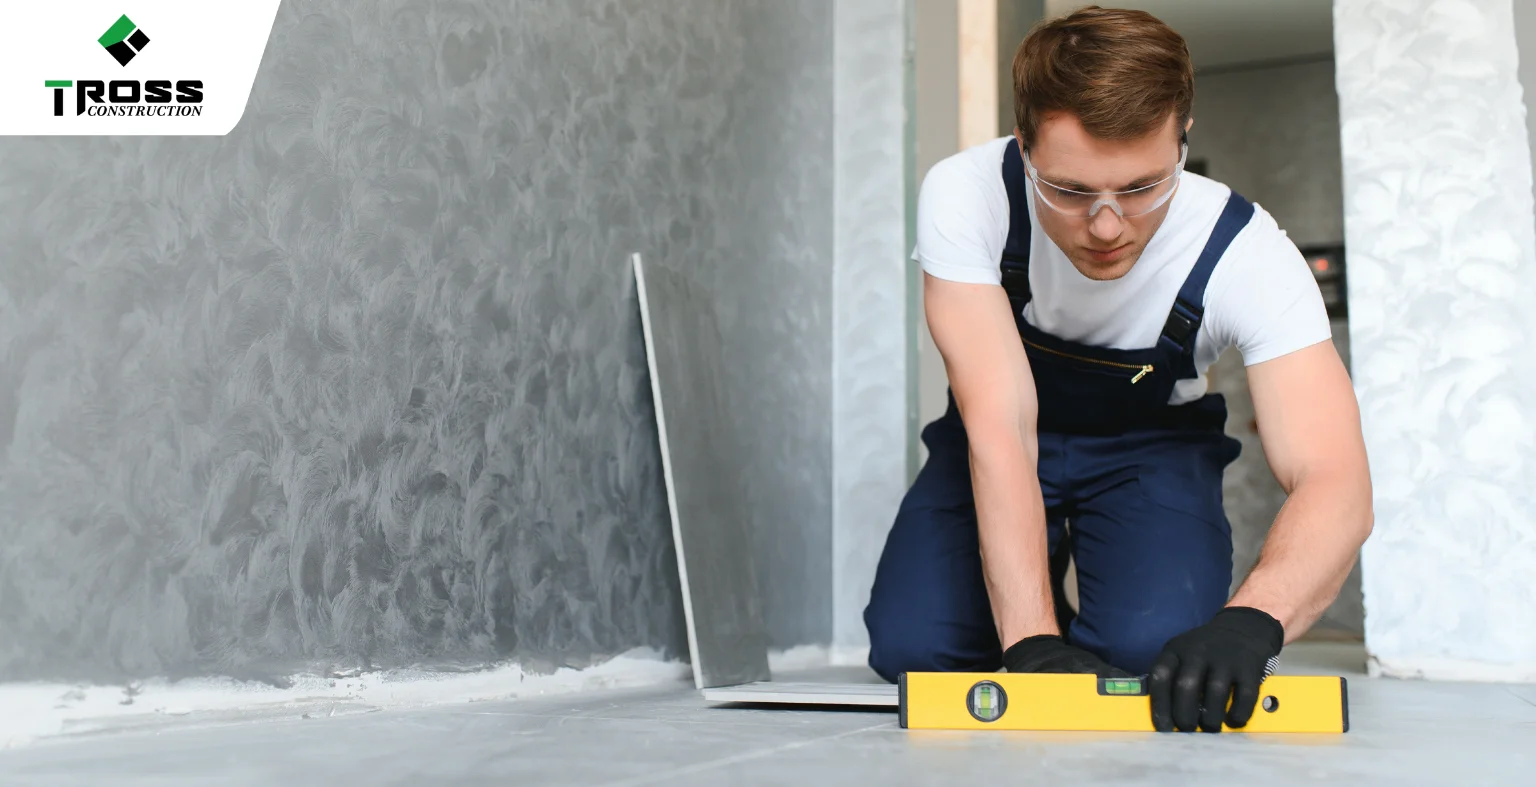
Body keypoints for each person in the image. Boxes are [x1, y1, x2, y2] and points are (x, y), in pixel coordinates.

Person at [862, 6, 1374, 733]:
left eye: (1141, 188)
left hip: (1151, 449)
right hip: (1001, 430)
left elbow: (1336, 478)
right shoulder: (967, 195)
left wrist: (1254, 621)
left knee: (1154, 653)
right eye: (1070, 191)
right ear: (1024, 145)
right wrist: (1033, 644)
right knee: (916, 646)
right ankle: (1052, 623)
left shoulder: (1246, 253)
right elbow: (1002, 427)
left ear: (1183, 136)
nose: (1107, 225)